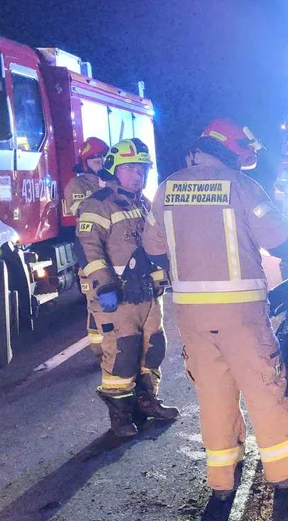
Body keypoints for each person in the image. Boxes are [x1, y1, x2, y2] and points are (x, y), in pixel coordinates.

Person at [142, 118, 288, 499]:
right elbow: (278, 240)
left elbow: (154, 247)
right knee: (264, 386)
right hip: (240, 312)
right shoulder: (241, 186)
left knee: (212, 393)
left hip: (191, 313)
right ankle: (287, 468)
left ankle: (221, 479)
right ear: (233, 150)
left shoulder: (167, 188)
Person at [77, 138, 178, 438]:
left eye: (143, 169)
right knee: (122, 353)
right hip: (117, 297)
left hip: (148, 294)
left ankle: (147, 401)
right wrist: (105, 285)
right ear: (114, 169)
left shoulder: (144, 203)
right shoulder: (96, 204)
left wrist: (165, 278)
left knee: (153, 349)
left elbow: (157, 246)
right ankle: (120, 415)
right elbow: (89, 249)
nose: (139, 175)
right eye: (131, 168)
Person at [67, 137, 110, 357]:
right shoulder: (77, 184)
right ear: (85, 161)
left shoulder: (112, 179)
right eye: (93, 158)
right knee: (95, 299)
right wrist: (102, 192)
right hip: (88, 247)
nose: (99, 160)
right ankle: (98, 350)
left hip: (111, 248)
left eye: (102, 156)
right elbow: (80, 211)